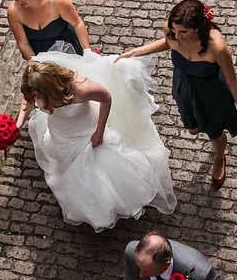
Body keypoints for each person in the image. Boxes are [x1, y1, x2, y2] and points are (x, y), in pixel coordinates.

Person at [16, 58, 177, 232]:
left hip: (87, 132)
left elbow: (106, 98)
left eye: (38, 95)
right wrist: (17, 125)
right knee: (69, 172)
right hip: (60, 134)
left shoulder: (81, 88)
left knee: (97, 172)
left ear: (50, 87)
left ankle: (106, 205)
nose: (35, 99)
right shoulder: (37, 92)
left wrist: (99, 131)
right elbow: (28, 102)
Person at [117, 0, 237, 190]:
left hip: (211, 95)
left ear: (197, 28)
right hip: (184, 86)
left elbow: (233, 81)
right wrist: (135, 52)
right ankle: (208, 137)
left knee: (213, 132)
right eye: (174, 30)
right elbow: (167, 42)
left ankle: (219, 157)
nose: (176, 36)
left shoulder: (216, 46)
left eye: (183, 32)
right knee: (193, 129)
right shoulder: (172, 32)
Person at [6, 0, 91, 59]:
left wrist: (87, 51)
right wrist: (36, 65)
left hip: (66, 49)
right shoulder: (13, 12)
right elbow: (23, 43)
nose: (19, 2)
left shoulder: (57, 1)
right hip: (39, 54)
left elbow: (77, 23)